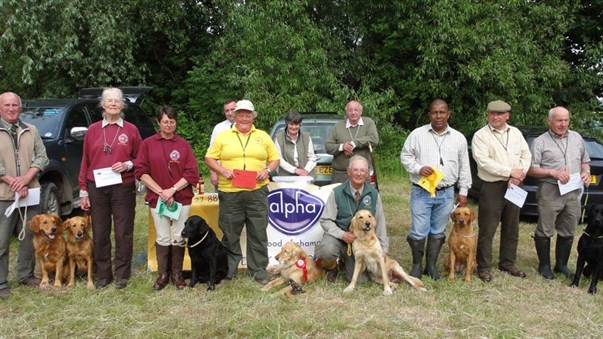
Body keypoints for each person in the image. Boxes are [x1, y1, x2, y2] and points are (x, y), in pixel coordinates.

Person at [205, 99, 280, 284]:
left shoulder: (263, 136)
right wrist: (222, 171)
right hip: (230, 191)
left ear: (253, 116)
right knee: (230, 231)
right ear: (234, 116)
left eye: (248, 114)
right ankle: (228, 268)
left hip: (257, 191)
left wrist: (267, 170)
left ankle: (258, 270)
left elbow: (275, 159)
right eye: (241, 114)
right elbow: (209, 158)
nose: (244, 118)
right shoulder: (223, 136)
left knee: (258, 231)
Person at [400, 99, 472, 280]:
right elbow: (405, 156)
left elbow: (465, 166)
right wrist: (418, 168)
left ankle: (431, 266)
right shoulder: (417, 134)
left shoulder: (459, 138)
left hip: (446, 193)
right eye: (434, 112)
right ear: (429, 115)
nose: (438, 116)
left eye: (442, 112)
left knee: (438, 231)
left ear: (449, 114)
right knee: (419, 230)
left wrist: (463, 191)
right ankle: (417, 266)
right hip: (421, 191)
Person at [79, 87, 142, 289]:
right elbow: (85, 161)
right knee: (100, 231)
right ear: (103, 105)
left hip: (123, 186)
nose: (113, 104)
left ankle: (123, 274)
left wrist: (127, 165)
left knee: (123, 231)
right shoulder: (93, 130)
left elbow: (141, 158)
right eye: (109, 101)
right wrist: (83, 190)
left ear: (122, 105)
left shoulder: (131, 130)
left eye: (117, 100)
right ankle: (104, 274)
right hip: (97, 187)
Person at [135, 106, 199, 290]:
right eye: (165, 121)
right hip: (158, 198)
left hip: (181, 197)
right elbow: (141, 171)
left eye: (172, 121)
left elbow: (191, 172)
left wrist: (172, 190)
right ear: (158, 122)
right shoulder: (147, 144)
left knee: (178, 235)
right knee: (163, 236)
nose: (169, 125)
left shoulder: (183, 145)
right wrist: (161, 192)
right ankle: (163, 274)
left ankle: (177, 274)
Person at [471, 100, 531, 282]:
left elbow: (526, 155)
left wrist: (519, 174)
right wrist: (509, 172)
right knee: (487, 229)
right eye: (492, 113)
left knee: (512, 227)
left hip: (514, 185)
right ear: (488, 115)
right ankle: (484, 267)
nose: (495, 117)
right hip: (492, 187)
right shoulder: (481, 136)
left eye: (500, 114)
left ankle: (507, 263)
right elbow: (483, 162)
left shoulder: (516, 133)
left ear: (507, 115)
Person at [528, 106, 590, 280]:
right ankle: (544, 266)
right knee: (545, 229)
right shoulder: (540, 141)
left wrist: (585, 172)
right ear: (549, 121)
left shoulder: (577, 138)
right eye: (559, 120)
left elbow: (585, 162)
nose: (563, 124)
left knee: (569, 229)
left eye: (566, 120)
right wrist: (552, 173)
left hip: (573, 191)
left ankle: (561, 265)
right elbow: (531, 170)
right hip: (550, 190)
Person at [0, 92, 49, 298]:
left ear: (20, 107)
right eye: (7, 105)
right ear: (0, 108)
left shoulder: (31, 130)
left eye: (15, 105)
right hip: (4, 195)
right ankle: (1, 282)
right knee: (1, 240)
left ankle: (25, 275)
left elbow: (42, 157)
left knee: (29, 236)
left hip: (30, 193)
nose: (11, 109)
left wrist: (26, 178)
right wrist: (12, 180)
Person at [315, 155, 388, 283]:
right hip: (340, 237)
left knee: (361, 281)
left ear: (367, 174)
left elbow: (380, 223)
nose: (359, 174)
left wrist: (384, 249)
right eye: (355, 170)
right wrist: (342, 235)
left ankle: (345, 262)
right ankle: (333, 267)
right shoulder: (336, 192)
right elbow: (325, 220)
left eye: (362, 171)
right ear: (349, 171)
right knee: (326, 250)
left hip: (361, 241)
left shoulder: (374, 194)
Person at [325, 100, 379, 184]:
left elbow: (374, 139)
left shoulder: (368, 123)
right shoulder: (337, 126)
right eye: (350, 110)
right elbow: (328, 147)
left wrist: (354, 144)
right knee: (339, 197)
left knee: (361, 197)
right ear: (346, 112)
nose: (353, 113)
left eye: (356, 110)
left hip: (361, 173)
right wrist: (342, 147)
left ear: (361, 112)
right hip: (340, 174)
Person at [274, 111, 318, 179]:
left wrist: (305, 171)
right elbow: (279, 159)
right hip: (286, 178)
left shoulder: (306, 137)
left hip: (306, 177)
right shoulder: (279, 138)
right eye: (291, 124)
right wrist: (295, 170)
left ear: (300, 125)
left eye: (296, 124)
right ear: (287, 124)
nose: (294, 127)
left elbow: (312, 157)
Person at [209, 99, 237, 189]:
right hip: (222, 174)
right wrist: (213, 172)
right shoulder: (218, 128)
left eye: (232, 109)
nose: (230, 113)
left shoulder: (246, 127)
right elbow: (211, 153)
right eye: (227, 110)